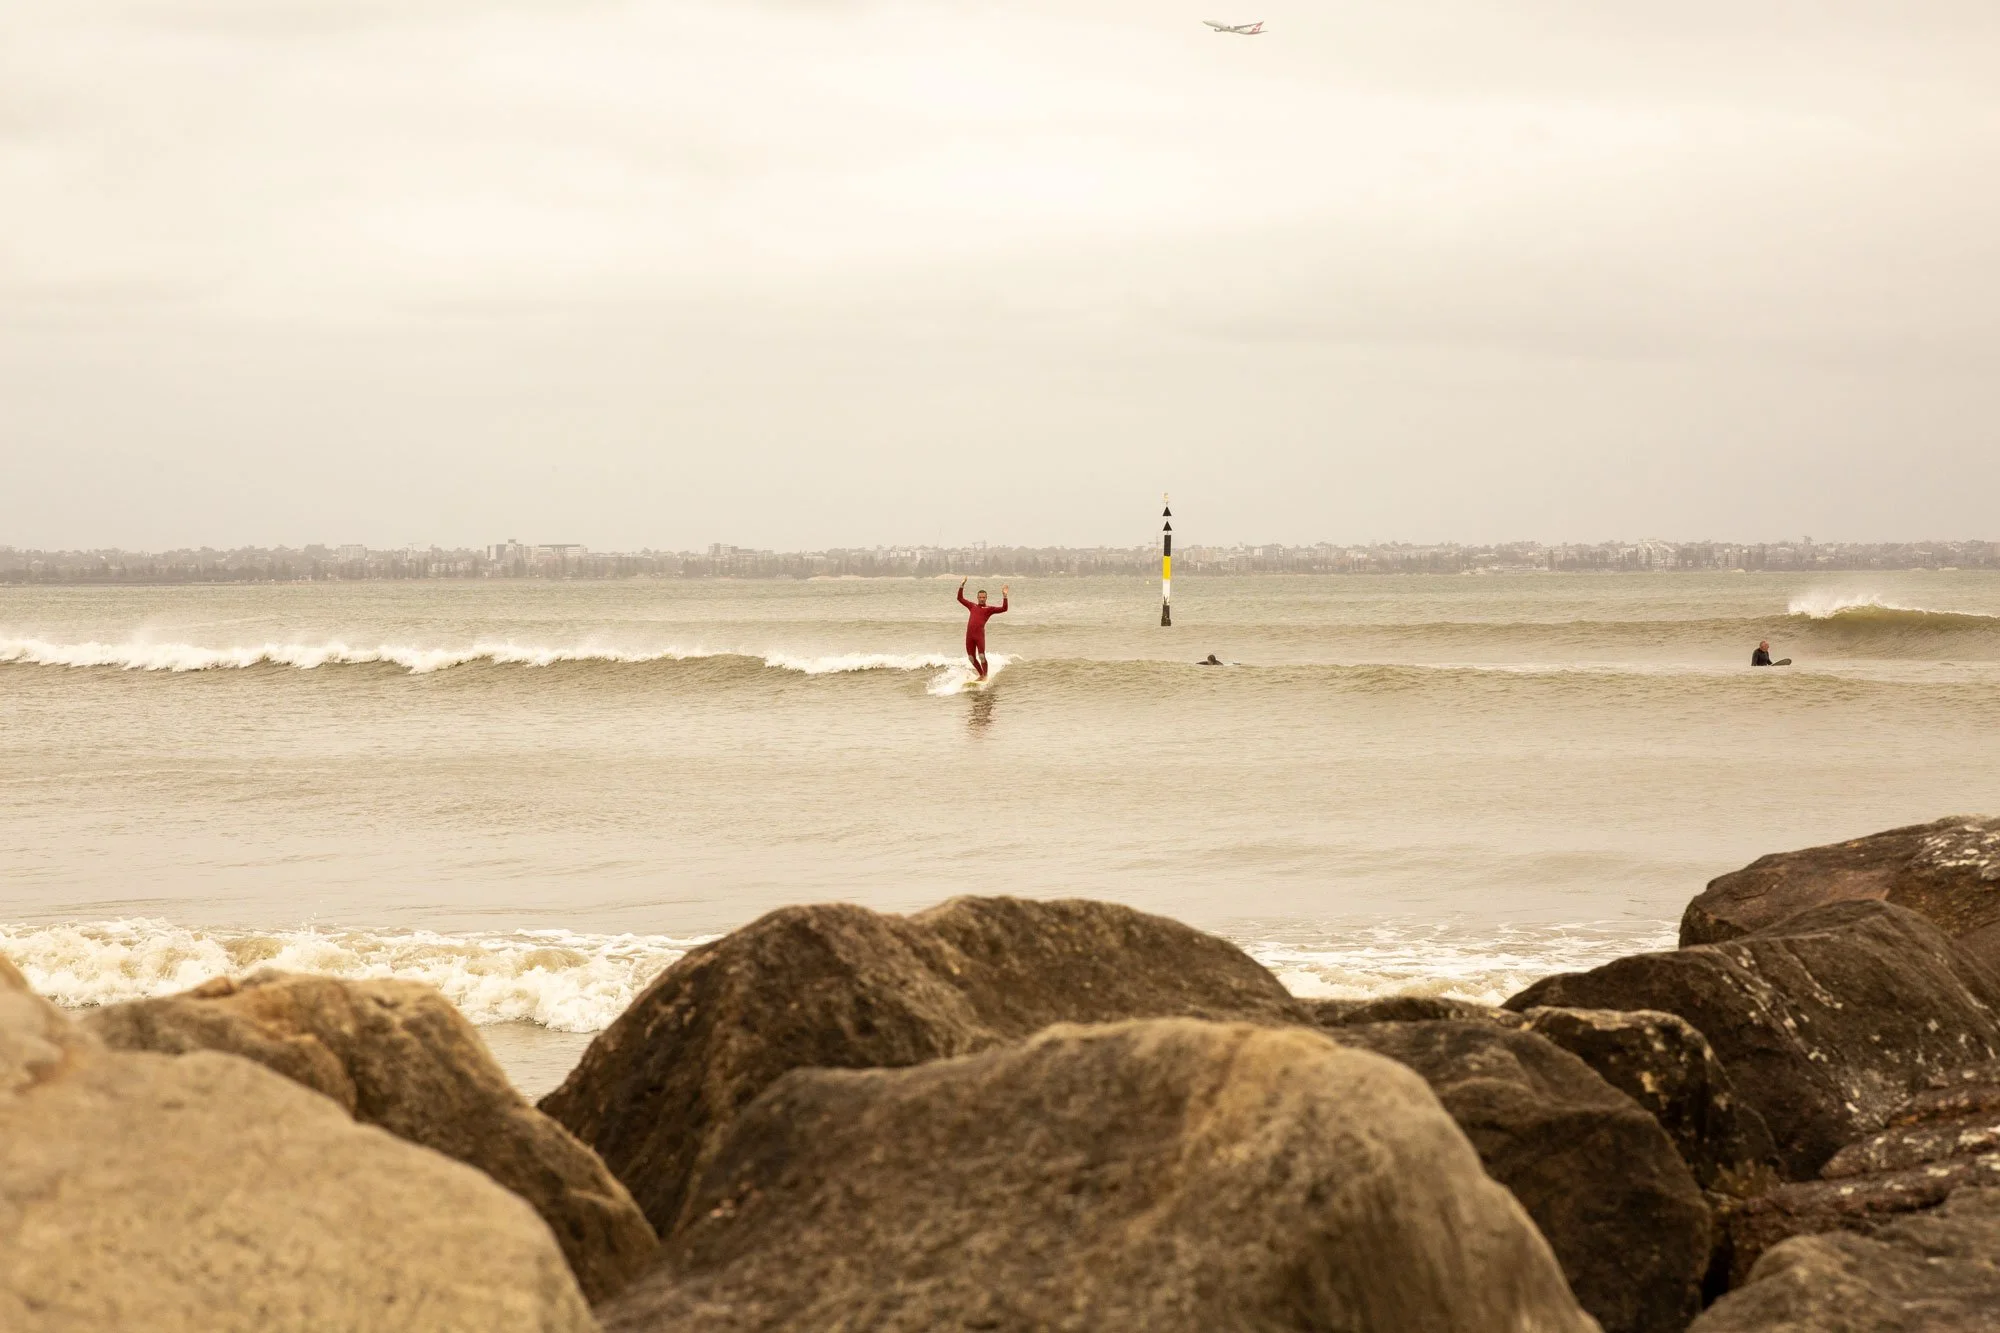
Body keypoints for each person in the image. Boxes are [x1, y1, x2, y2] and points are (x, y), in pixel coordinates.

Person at [956, 580, 1008, 679]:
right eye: (980, 597)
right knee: (971, 658)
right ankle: (981, 675)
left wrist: (1005, 596)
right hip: (969, 636)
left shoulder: (989, 609)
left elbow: (1004, 608)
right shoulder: (972, 606)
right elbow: (959, 598)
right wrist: (961, 585)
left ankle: (985, 675)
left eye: (983, 597)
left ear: (986, 598)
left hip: (979, 636)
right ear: (977, 598)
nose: (982, 599)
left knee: (981, 656)